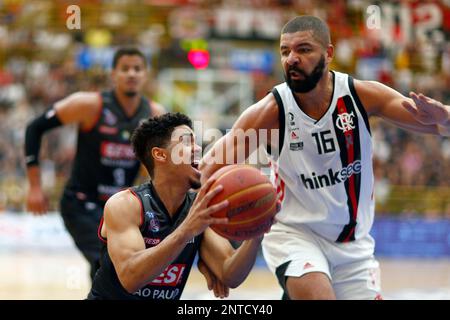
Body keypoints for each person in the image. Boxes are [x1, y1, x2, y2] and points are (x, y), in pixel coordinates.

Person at [199, 15, 450, 300]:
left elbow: (437, 124)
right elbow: (203, 173)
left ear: (328, 53)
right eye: (285, 51)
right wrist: (199, 242)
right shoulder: (271, 111)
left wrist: (446, 116)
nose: (292, 59)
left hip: (353, 246)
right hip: (295, 233)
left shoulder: (361, 96)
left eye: (303, 49)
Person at [87, 112, 274, 300]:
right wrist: (186, 231)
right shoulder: (126, 204)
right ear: (160, 154)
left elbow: (229, 274)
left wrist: (256, 234)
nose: (198, 148)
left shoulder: (200, 207)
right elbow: (131, 278)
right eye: (186, 142)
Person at [24, 47, 166, 281]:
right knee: (109, 261)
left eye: (137, 69)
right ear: (113, 74)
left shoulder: (154, 114)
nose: (131, 73)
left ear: (145, 75)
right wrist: (35, 186)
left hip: (122, 207)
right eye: (125, 69)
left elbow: (157, 164)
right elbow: (35, 127)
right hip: (82, 203)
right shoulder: (90, 104)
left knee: (116, 268)